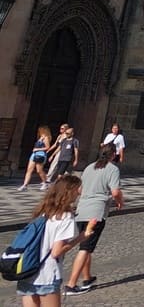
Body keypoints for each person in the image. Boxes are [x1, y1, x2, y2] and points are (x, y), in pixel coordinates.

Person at [62, 145, 123, 296]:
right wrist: (119, 201)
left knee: (86, 246)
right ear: (113, 154)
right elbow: (115, 191)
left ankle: (87, 278)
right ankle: (71, 284)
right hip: (96, 212)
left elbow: (80, 190)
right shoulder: (112, 169)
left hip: (82, 209)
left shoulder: (89, 167)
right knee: (85, 248)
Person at [17, 174, 85, 306]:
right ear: (69, 191)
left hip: (27, 270)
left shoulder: (43, 211)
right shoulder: (65, 217)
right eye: (77, 189)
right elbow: (56, 252)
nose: (79, 193)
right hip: (47, 273)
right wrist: (80, 238)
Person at [20, 126, 53, 191]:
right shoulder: (40, 138)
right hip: (34, 154)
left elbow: (47, 147)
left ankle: (45, 182)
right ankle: (25, 185)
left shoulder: (46, 138)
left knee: (39, 170)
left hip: (40, 154)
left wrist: (37, 149)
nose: (39, 131)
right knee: (29, 170)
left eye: (40, 130)